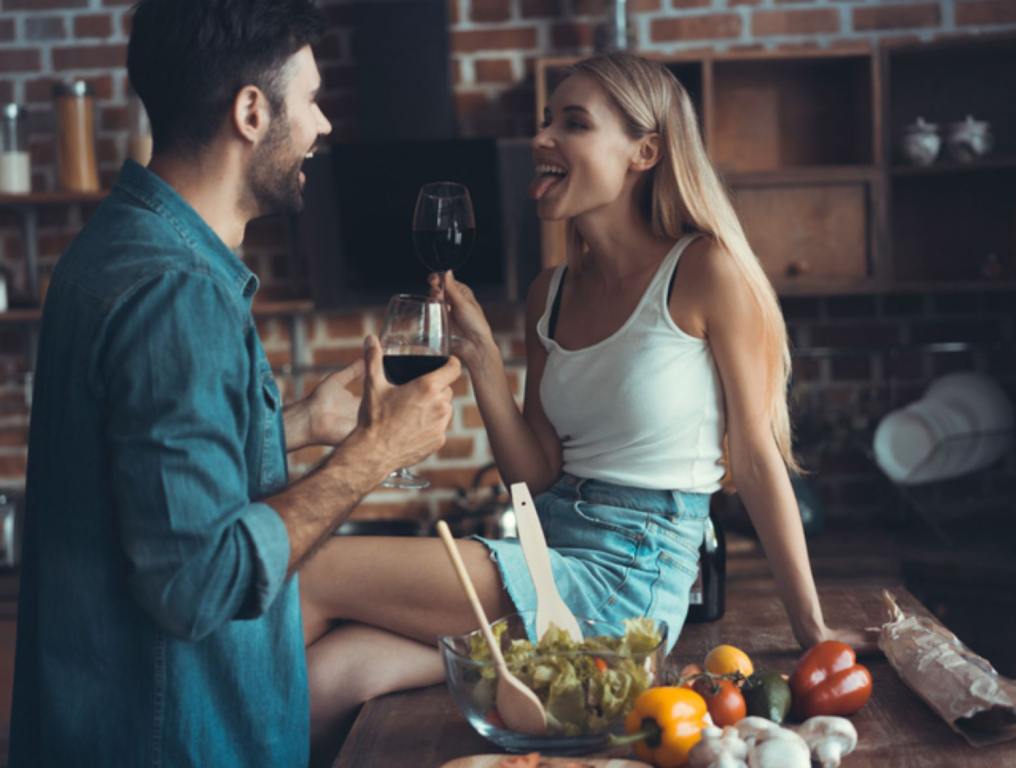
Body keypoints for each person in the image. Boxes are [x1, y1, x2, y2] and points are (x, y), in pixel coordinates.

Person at [299, 51, 877, 760]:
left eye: (573, 123)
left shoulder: (704, 271)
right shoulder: (551, 292)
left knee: (309, 571)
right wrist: (482, 360)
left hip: (628, 578)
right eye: (546, 121)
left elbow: (755, 459)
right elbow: (537, 476)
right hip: (545, 547)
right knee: (326, 679)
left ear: (644, 152)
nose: (544, 138)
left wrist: (812, 627)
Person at [9, 0, 460, 765]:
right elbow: (200, 579)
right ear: (252, 111)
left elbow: (136, 476)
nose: (322, 127)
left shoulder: (117, 249)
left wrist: (300, 423)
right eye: (311, 100)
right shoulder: (175, 292)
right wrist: (374, 454)